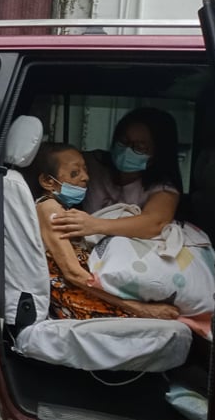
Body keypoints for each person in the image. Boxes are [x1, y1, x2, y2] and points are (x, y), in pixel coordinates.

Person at [25, 142, 178, 320]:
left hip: (84, 290)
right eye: (75, 173)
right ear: (48, 181)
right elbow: (73, 273)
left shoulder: (61, 209)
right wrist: (139, 308)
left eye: (85, 170)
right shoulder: (50, 208)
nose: (86, 178)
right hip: (76, 297)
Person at [51, 107, 182, 240]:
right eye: (123, 141)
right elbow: (50, 167)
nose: (127, 150)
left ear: (158, 153)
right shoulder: (90, 164)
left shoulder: (163, 188)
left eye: (140, 147)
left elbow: (155, 224)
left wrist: (94, 225)